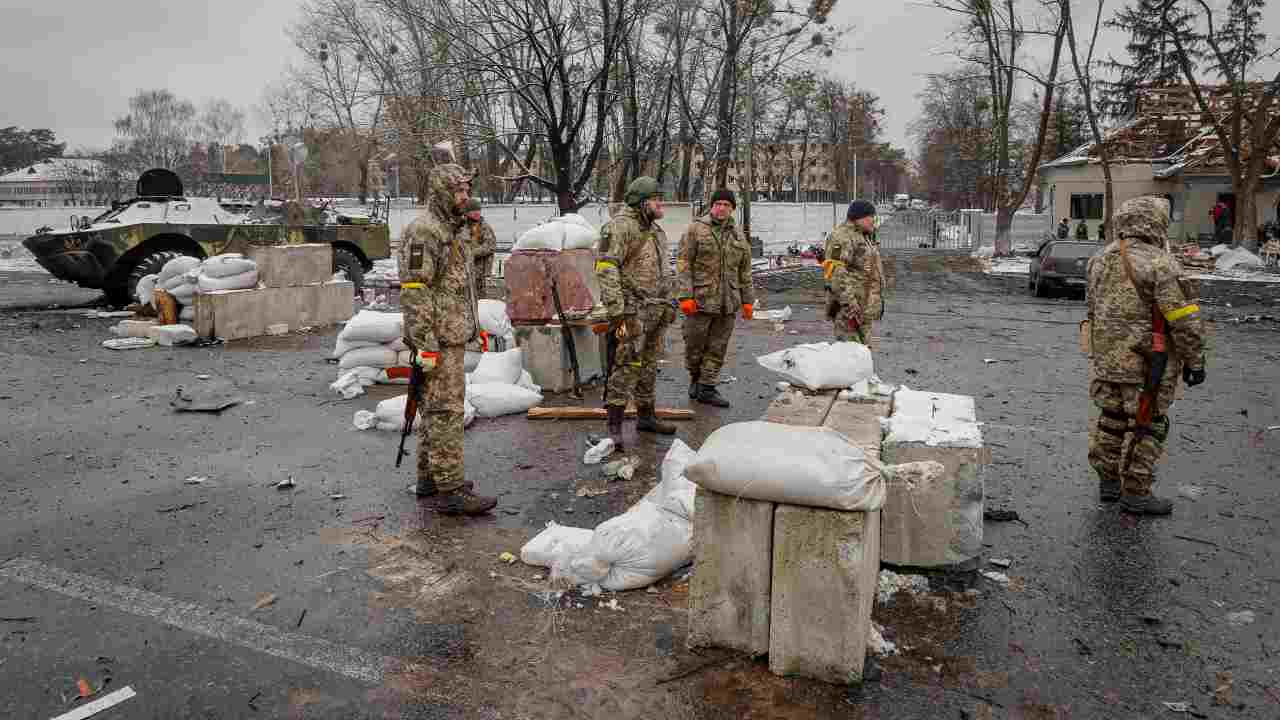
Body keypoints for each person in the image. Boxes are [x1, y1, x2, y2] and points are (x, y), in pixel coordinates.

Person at [1085, 196, 1206, 516]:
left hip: (1108, 360)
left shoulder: (1099, 259)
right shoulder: (1160, 262)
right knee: (1150, 424)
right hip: (1148, 363)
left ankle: (1108, 484)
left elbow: (1093, 309)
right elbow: (1182, 317)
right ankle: (1136, 493)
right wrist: (1195, 360)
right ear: (1155, 223)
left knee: (1110, 421)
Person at [398, 153, 496, 516]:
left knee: (436, 410)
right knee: (446, 412)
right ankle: (451, 490)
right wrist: (425, 343)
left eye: (468, 188)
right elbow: (415, 287)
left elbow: (459, 287)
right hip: (436, 340)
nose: (465, 196)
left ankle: (430, 480)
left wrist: (475, 327)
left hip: (450, 336)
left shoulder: (453, 230)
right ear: (441, 192)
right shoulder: (426, 230)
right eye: (459, 190)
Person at [596, 177, 677, 447]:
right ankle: (614, 425)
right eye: (656, 199)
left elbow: (665, 270)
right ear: (642, 202)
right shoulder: (620, 228)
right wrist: (617, 311)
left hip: (655, 312)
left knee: (649, 365)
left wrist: (671, 300)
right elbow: (606, 268)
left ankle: (646, 416)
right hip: (629, 314)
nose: (660, 203)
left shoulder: (655, 231)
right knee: (625, 364)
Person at [677, 189, 754, 408]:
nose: (722, 208)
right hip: (700, 301)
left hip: (727, 303)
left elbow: (745, 271)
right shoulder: (696, 230)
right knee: (694, 346)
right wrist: (685, 295)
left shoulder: (739, 235)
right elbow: (683, 264)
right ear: (711, 206)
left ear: (732, 209)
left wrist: (748, 300)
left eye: (726, 205)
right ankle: (696, 379)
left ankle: (707, 387)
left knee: (717, 347)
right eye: (718, 203)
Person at [823, 199, 885, 346]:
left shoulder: (864, 235)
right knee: (850, 356)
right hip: (849, 310)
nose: (874, 221)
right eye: (871, 217)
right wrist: (850, 305)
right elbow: (836, 273)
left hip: (864, 309)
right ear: (860, 217)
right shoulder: (842, 236)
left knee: (862, 355)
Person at [462, 198, 496, 299]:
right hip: (465, 269)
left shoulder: (484, 227)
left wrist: (472, 252)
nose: (477, 212)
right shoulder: (461, 226)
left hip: (480, 271)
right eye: (473, 210)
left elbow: (490, 245)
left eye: (478, 210)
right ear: (467, 212)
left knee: (480, 299)